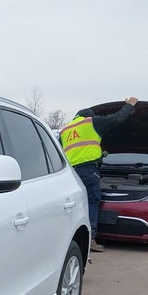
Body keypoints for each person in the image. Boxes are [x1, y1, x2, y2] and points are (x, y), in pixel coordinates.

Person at [60, 97, 138, 252]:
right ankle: (91, 239)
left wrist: (100, 154)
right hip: (88, 171)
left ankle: (71, 238)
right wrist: (129, 105)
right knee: (92, 200)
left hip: (69, 174)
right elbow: (116, 118)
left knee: (74, 205)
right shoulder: (91, 122)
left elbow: (73, 151)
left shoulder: (65, 130)